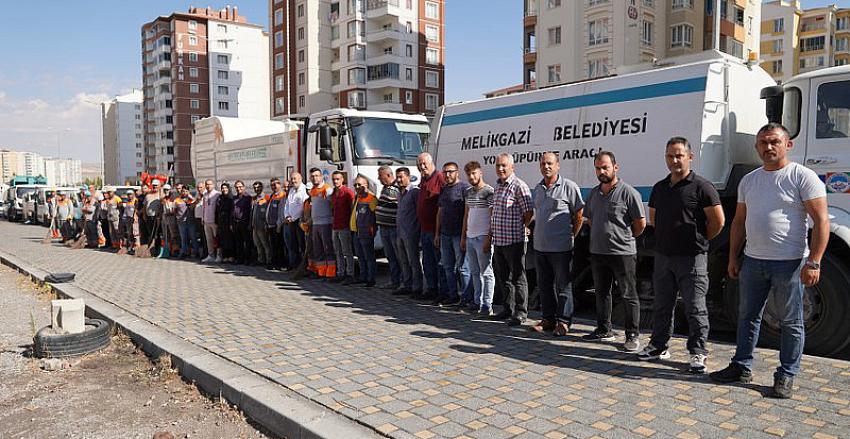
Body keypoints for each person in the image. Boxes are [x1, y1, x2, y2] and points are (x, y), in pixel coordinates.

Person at [710, 123, 829, 399]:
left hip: (789, 263)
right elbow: (739, 221)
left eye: (774, 141)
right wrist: (732, 257)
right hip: (753, 261)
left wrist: (815, 262)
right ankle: (741, 366)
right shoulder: (749, 180)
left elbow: (821, 221)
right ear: (757, 147)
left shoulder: (803, 177)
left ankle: (786, 374)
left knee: (791, 321)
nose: (768, 147)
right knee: (747, 316)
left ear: (788, 145)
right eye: (763, 142)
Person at [638, 137, 725, 373]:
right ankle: (658, 346)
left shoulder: (702, 187)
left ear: (690, 156)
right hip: (664, 257)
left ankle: (698, 352)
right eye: (670, 156)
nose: (674, 160)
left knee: (695, 307)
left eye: (679, 155)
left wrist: (698, 239)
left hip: (692, 257)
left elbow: (718, 221)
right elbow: (654, 218)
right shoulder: (660, 188)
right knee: (662, 305)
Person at [582, 151, 647, 352]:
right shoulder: (593, 193)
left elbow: (640, 224)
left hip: (623, 253)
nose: (601, 171)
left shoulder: (629, 193)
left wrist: (622, 238)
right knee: (601, 292)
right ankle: (604, 329)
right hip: (599, 252)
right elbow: (591, 219)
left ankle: (632, 335)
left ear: (615, 168)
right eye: (598, 168)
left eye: (605, 167)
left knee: (628, 294)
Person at [530, 152, 585, 336]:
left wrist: (571, 236)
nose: (546, 166)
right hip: (540, 247)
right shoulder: (537, 189)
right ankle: (548, 320)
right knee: (544, 286)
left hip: (560, 248)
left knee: (563, 286)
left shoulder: (569, 187)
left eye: (550, 163)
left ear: (558, 165)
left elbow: (578, 215)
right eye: (543, 163)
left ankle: (563, 322)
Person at [489, 153, 534, 326]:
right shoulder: (498, 186)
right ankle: (507, 309)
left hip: (514, 241)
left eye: (504, 166)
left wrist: (522, 228)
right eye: (498, 165)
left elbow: (529, 213)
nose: (500, 169)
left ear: (512, 167)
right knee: (503, 278)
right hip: (499, 240)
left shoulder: (519, 186)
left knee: (518, 278)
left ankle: (521, 313)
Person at [460, 161, 495, 316]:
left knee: (486, 272)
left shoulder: (489, 191)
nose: (471, 176)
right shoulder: (468, 192)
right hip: (470, 237)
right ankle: (477, 301)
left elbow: (493, 216)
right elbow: (466, 215)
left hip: (482, 236)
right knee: (474, 272)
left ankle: (487, 305)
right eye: (468, 174)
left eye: (474, 173)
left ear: (480, 172)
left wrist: (489, 237)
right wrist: (463, 236)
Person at [435, 161, 471, 307]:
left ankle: (466, 298)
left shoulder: (464, 189)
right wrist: (437, 233)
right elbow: (439, 212)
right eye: (445, 172)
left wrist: (464, 235)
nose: (447, 175)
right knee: (447, 267)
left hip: (458, 234)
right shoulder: (443, 190)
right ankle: (452, 295)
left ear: (457, 172)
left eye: (450, 172)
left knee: (463, 268)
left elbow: (467, 214)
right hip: (445, 234)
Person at [416, 153, 446, 300]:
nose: (422, 167)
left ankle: (441, 291)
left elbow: (443, 205)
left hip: (436, 230)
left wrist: (438, 232)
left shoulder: (439, 177)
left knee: (439, 262)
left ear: (431, 162)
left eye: (424, 163)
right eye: (419, 164)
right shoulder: (423, 179)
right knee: (427, 262)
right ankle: (431, 289)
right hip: (424, 229)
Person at [395, 167, 423, 297]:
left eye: (401, 177)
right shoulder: (400, 193)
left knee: (413, 261)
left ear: (408, 176)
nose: (399, 180)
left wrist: (417, 230)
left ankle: (417, 287)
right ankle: (407, 285)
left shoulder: (414, 192)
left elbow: (419, 212)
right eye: (398, 177)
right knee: (403, 261)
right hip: (400, 232)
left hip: (411, 232)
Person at [375, 166, 402, 291]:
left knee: (398, 256)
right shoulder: (385, 188)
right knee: (389, 256)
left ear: (388, 175)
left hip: (393, 228)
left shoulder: (397, 188)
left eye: (380, 176)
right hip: (384, 227)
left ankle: (402, 281)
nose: (378, 179)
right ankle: (394, 280)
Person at [307, 168, 336, 279]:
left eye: (317, 175)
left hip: (326, 223)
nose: (315, 178)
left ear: (321, 176)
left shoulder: (327, 190)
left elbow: (333, 207)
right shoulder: (313, 190)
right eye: (313, 176)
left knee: (328, 248)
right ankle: (321, 272)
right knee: (317, 249)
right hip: (315, 224)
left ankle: (331, 273)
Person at [351, 175, 378, 287]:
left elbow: (375, 216)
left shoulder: (372, 198)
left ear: (366, 185)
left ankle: (371, 278)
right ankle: (363, 276)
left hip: (366, 232)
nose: (357, 187)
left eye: (359, 184)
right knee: (360, 256)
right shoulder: (357, 197)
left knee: (369, 256)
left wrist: (372, 230)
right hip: (356, 231)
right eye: (355, 185)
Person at [330, 171, 356, 284]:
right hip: (335, 226)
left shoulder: (348, 192)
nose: (335, 181)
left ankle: (350, 273)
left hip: (344, 226)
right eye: (334, 179)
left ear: (342, 180)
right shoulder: (333, 194)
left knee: (347, 251)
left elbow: (352, 209)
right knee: (337, 251)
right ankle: (340, 273)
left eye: (337, 179)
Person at [283, 172, 309, 269]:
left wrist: (294, 218)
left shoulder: (304, 190)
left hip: (300, 222)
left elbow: (304, 207)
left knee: (302, 244)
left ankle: (304, 266)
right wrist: (287, 216)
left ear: (300, 179)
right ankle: (294, 264)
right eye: (292, 179)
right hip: (291, 221)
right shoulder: (291, 190)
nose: (293, 181)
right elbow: (287, 205)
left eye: (295, 179)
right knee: (292, 244)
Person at [266, 178, 287, 270]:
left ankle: (280, 263)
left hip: (277, 225)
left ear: (280, 185)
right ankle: (274, 262)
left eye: (275, 184)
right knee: (273, 245)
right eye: (272, 185)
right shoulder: (272, 196)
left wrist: (279, 224)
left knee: (279, 245)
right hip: (270, 225)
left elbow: (281, 212)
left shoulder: (282, 196)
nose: (274, 186)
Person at [251, 182, 272, 266]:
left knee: (265, 244)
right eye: (255, 187)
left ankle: (268, 260)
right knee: (257, 244)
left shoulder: (267, 198)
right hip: (254, 225)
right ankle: (260, 260)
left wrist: (266, 224)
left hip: (262, 225)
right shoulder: (254, 198)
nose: (256, 189)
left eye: (258, 187)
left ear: (262, 187)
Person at [232, 180, 253, 265]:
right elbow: (232, 211)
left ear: (244, 187)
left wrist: (249, 223)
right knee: (238, 242)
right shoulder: (234, 198)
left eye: (240, 187)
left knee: (247, 242)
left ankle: (248, 259)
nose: (238, 188)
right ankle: (240, 259)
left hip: (244, 222)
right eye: (236, 187)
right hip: (236, 222)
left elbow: (250, 211)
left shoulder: (248, 197)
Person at [175, 186, 199, 259]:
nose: (184, 193)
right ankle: (184, 252)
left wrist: (191, 198)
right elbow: (174, 210)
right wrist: (177, 217)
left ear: (188, 192)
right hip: (181, 222)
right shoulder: (177, 200)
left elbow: (196, 203)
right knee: (183, 238)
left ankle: (196, 252)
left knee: (193, 238)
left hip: (191, 221)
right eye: (183, 191)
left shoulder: (191, 199)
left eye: (186, 191)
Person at [201, 180, 221, 263]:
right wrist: (202, 218)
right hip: (206, 220)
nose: (208, 186)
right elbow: (204, 207)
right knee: (209, 239)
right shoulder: (205, 194)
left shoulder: (217, 194)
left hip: (214, 221)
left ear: (213, 185)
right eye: (207, 184)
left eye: (210, 184)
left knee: (217, 239)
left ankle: (219, 255)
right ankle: (211, 255)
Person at [216, 182, 236, 263]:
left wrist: (231, 223)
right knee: (223, 240)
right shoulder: (220, 198)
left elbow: (232, 211)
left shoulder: (231, 198)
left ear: (229, 189)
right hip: (221, 222)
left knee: (230, 240)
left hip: (229, 221)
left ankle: (231, 256)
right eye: (222, 188)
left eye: (225, 188)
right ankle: (225, 256)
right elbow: (217, 210)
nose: (224, 190)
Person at [143, 181, 163, 255]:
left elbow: (162, 206)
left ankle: (157, 249)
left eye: (156, 186)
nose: (155, 187)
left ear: (159, 186)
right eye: (153, 186)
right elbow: (145, 206)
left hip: (157, 217)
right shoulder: (148, 195)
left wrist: (159, 216)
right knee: (150, 233)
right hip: (149, 217)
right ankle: (150, 247)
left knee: (157, 234)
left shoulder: (160, 195)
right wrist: (144, 215)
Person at [160, 185, 178, 258]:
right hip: (164, 219)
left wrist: (170, 213)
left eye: (167, 190)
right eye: (165, 190)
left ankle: (175, 250)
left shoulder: (173, 199)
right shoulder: (163, 199)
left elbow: (174, 210)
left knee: (173, 235)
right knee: (165, 236)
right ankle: (167, 250)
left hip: (171, 218)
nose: (166, 191)